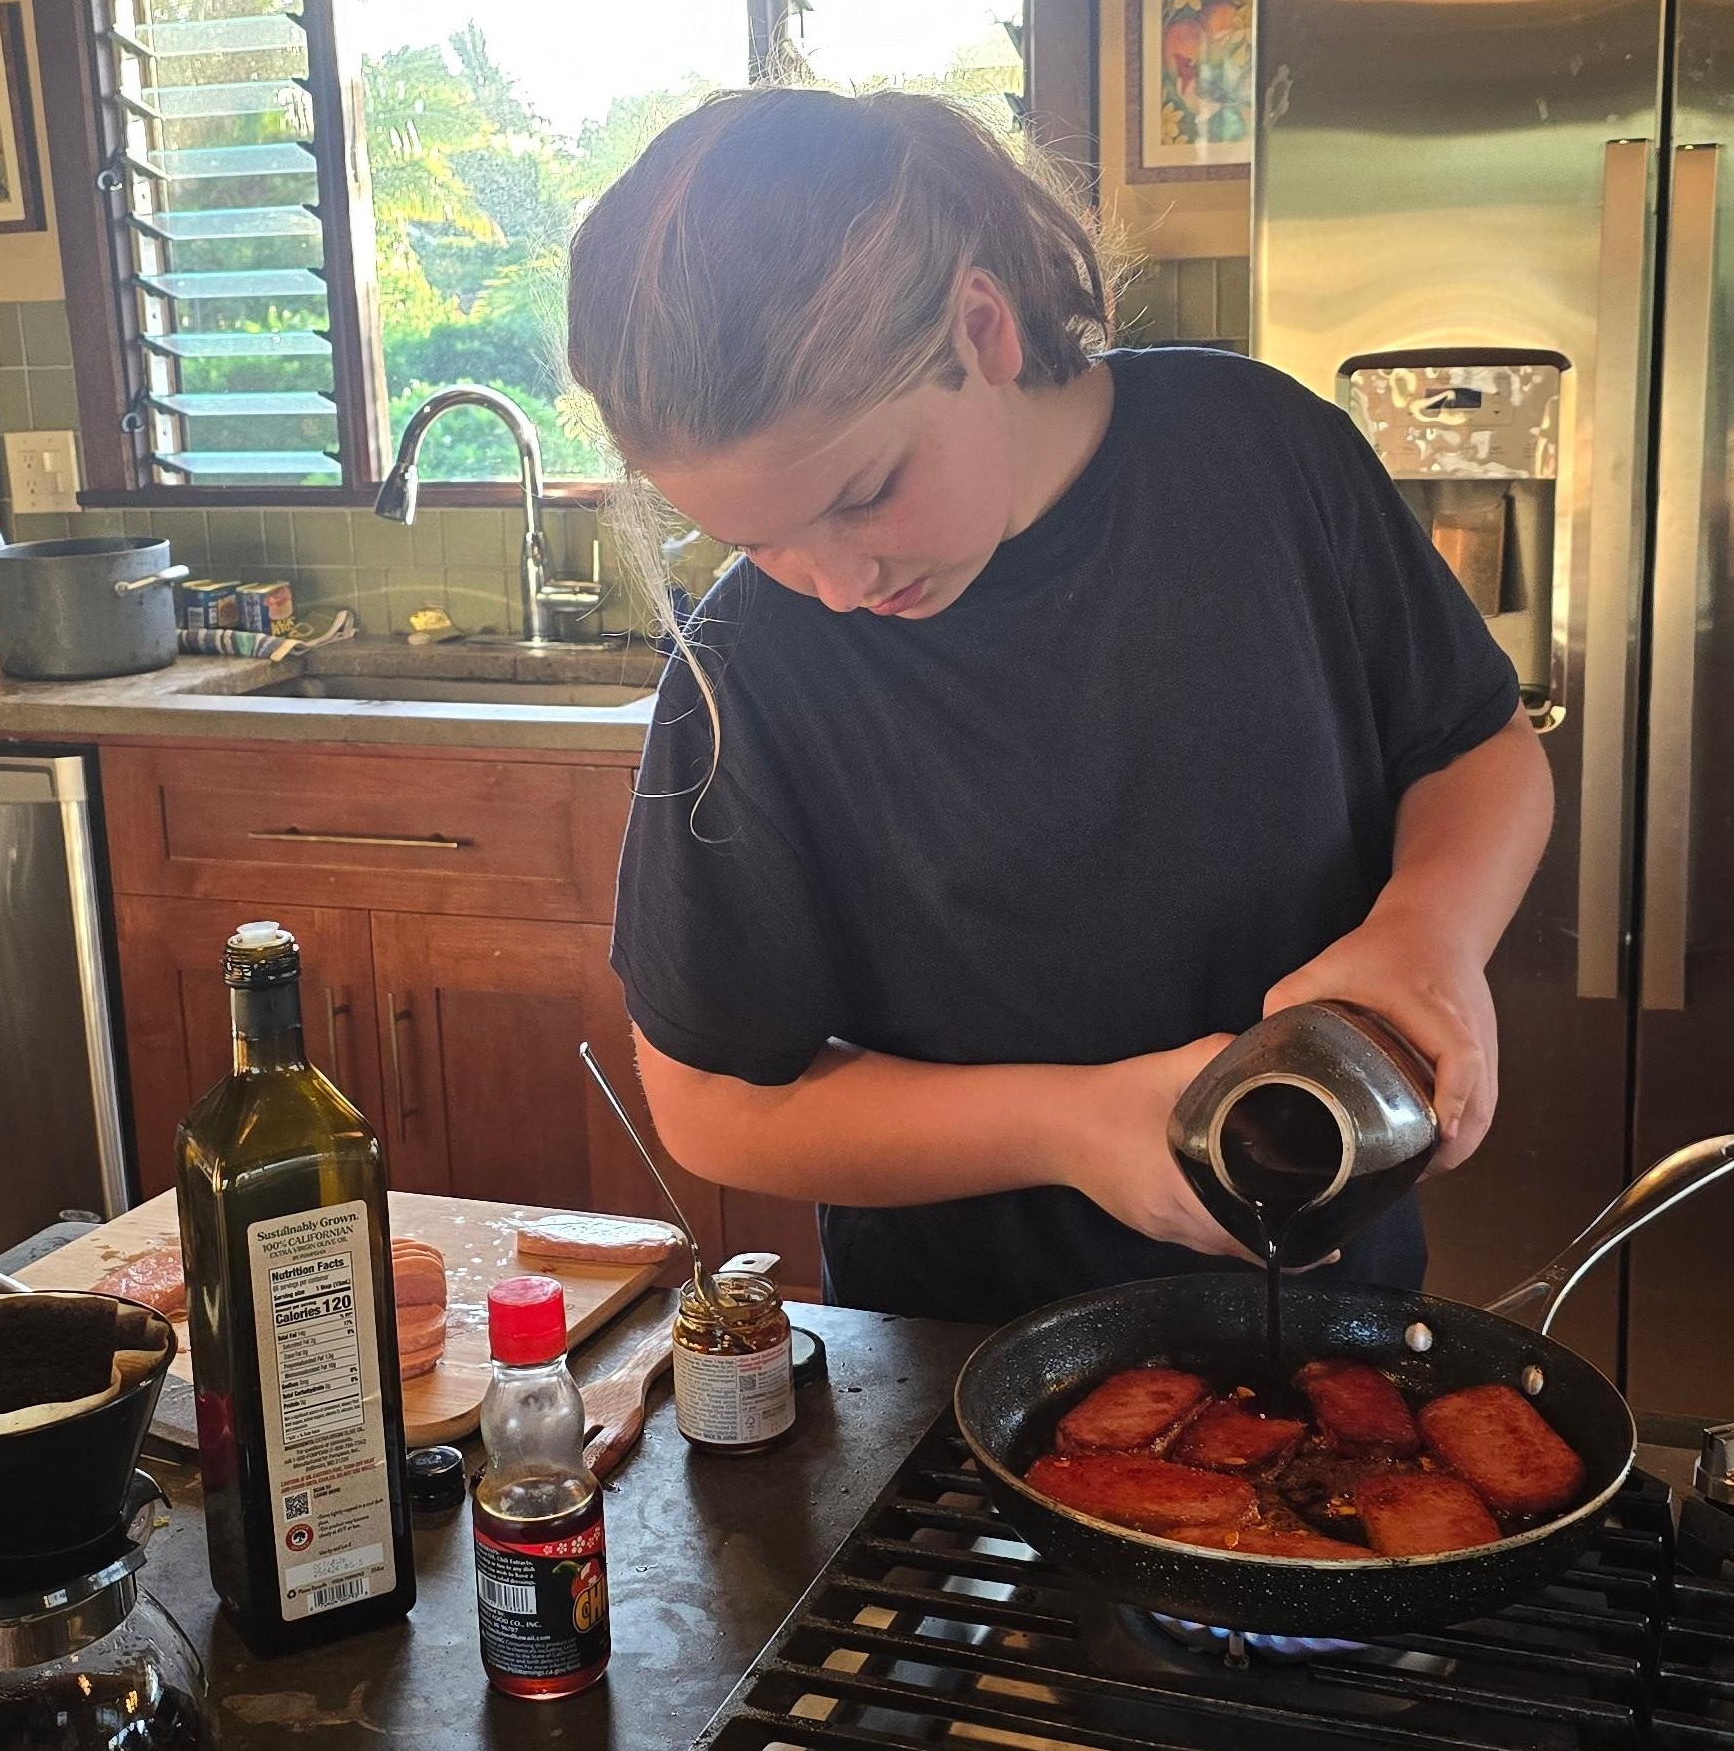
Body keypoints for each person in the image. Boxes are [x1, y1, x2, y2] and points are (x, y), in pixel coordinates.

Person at [568, 85, 1552, 1323]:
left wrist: (1430, 928)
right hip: (954, 1368)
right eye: (755, 541)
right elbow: (707, 1100)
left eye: (864, 493)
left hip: (1336, 1309)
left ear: (979, 330)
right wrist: (1073, 1126)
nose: (833, 582)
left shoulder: (1265, 457)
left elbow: (1475, 747)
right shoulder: (749, 668)